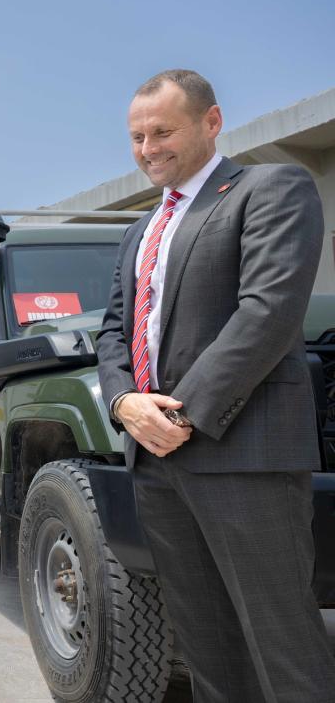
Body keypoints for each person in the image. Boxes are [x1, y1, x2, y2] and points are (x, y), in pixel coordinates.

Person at [97, 69, 335, 701]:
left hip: (242, 455)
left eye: (163, 131)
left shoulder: (270, 187)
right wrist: (125, 404)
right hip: (154, 460)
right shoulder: (139, 231)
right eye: (137, 136)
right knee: (206, 646)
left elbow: (267, 312)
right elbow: (113, 332)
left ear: (211, 122)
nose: (148, 148)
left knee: (282, 644)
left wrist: (180, 416)